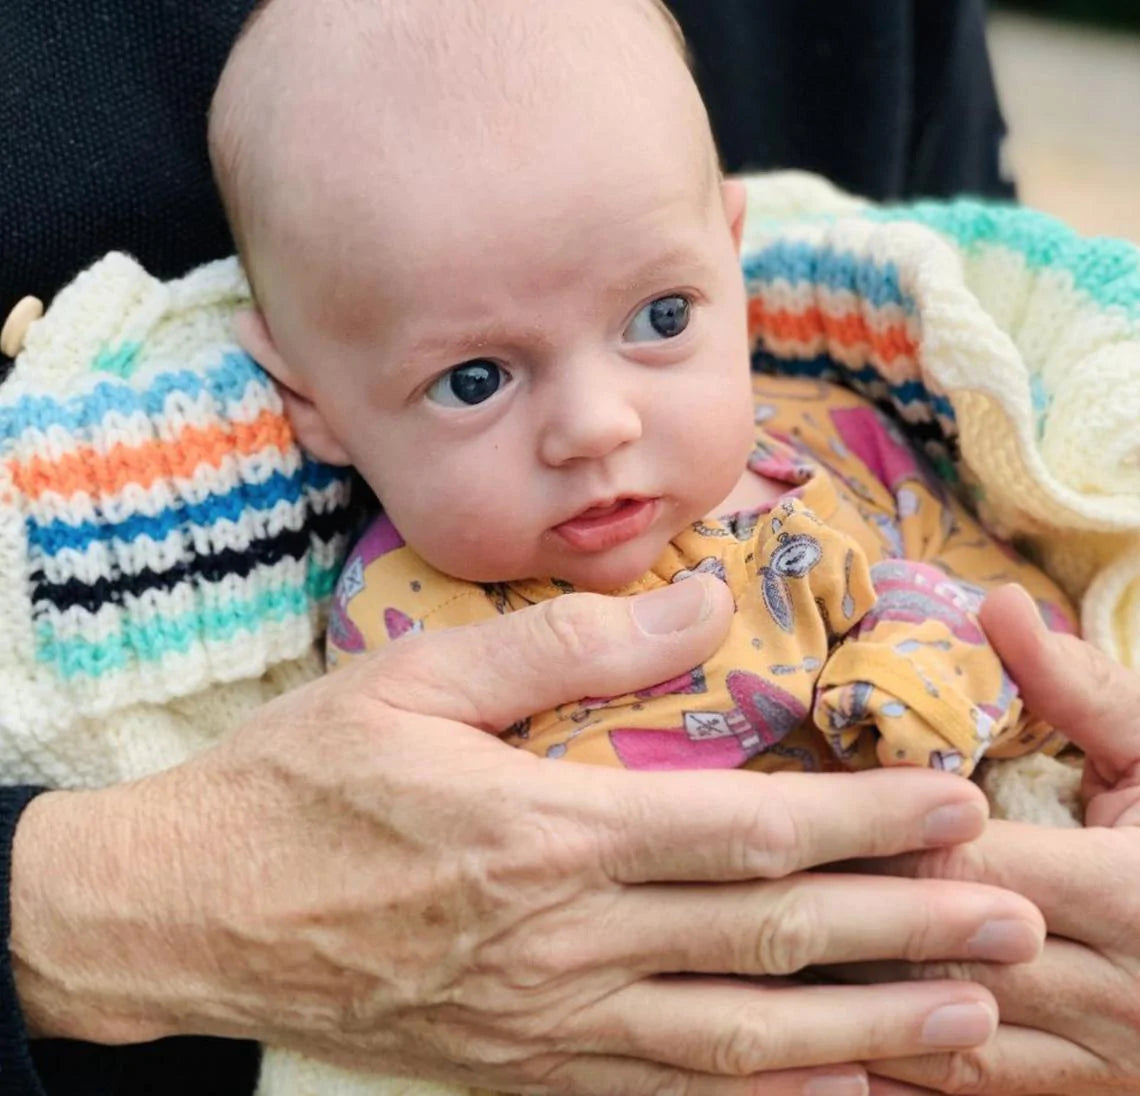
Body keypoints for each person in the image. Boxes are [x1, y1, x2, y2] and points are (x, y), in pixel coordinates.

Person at [2, 6, 1138, 1096]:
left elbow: (1024, 627)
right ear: (317, 405)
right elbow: (452, 894)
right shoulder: (406, 618)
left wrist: (962, 668)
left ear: (732, 259)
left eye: (660, 317)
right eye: (475, 380)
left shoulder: (845, 445)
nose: (598, 423)